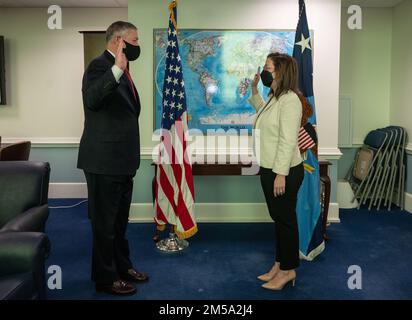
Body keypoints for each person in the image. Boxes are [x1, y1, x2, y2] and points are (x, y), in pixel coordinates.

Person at [77, 21, 148, 296]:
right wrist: (117, 68)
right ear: (119, 41)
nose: (136, 45)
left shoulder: (123, 71)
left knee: (119, 223)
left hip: (121, 162)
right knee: (104, 225)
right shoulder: (99, 66)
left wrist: (121, 69)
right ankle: (105, 279)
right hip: (104, 162)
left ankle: (122, 266)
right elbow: (93, 99)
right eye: (134, 39)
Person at [248, 53, 304, 290]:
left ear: (280, 72)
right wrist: (254, 90)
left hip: (284, 171)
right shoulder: (275, 97)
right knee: (279, 219)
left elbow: (287, 139)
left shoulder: (290, 100)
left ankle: (288, 271)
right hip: (270, 168)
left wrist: (280, 173)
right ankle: (279, 264)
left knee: (286, 220)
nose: (264, 71)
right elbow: (263, 113)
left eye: (268, 67)